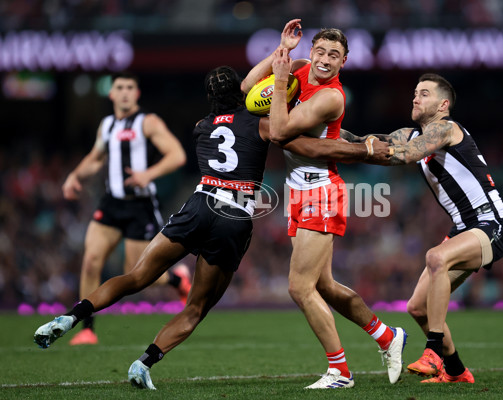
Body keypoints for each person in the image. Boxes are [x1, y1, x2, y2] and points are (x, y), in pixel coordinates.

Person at [34, 66, 391, 390]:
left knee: (137, 276)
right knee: (195, 309)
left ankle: (71, 316)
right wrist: (361, 149)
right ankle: (144, 363)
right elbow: (305, 144)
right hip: (233, 216)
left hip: (200, 203)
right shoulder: (262, 124)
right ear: (245, 92)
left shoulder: (201, 128)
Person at [241, 19, 407, 389]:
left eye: (335, 55)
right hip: (298, 191)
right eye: (320, 51)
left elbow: (281, 131)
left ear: (343, 61)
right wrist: (280, 52)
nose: (326, 59)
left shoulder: (332, 96)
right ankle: (387, 336)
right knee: (326, 286)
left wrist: (282, 80)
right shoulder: (298, 68)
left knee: (299, 288)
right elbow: (249, 89)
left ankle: (340, 372)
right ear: (310, 52)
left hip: (321, 192)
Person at [341, 73, 503, 383]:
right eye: (414, 93)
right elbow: (362, 142)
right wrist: (322, 131)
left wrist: (369, 151)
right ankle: (457, 371)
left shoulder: (446, 128)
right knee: (417, 307)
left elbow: (407, 154)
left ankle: (433, 352)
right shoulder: (411, 135)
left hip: (491, 224)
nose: (415, 98)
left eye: (424, 94)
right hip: (464, 229)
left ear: (443, 104)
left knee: (436, 257)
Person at [61, 71, 190, 346]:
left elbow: (177, 154)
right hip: (111, 204)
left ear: (137, 93)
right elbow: (96, 159)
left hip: (140, 206)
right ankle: (87, 329)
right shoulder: (107, 125)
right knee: (90, 262)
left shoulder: (148, 122)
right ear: (111, 94)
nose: (125, 92)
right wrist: (75, 175)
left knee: (137, 274)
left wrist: (148, 174)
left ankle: (176, 281)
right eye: (119, 87)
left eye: (130, 87)